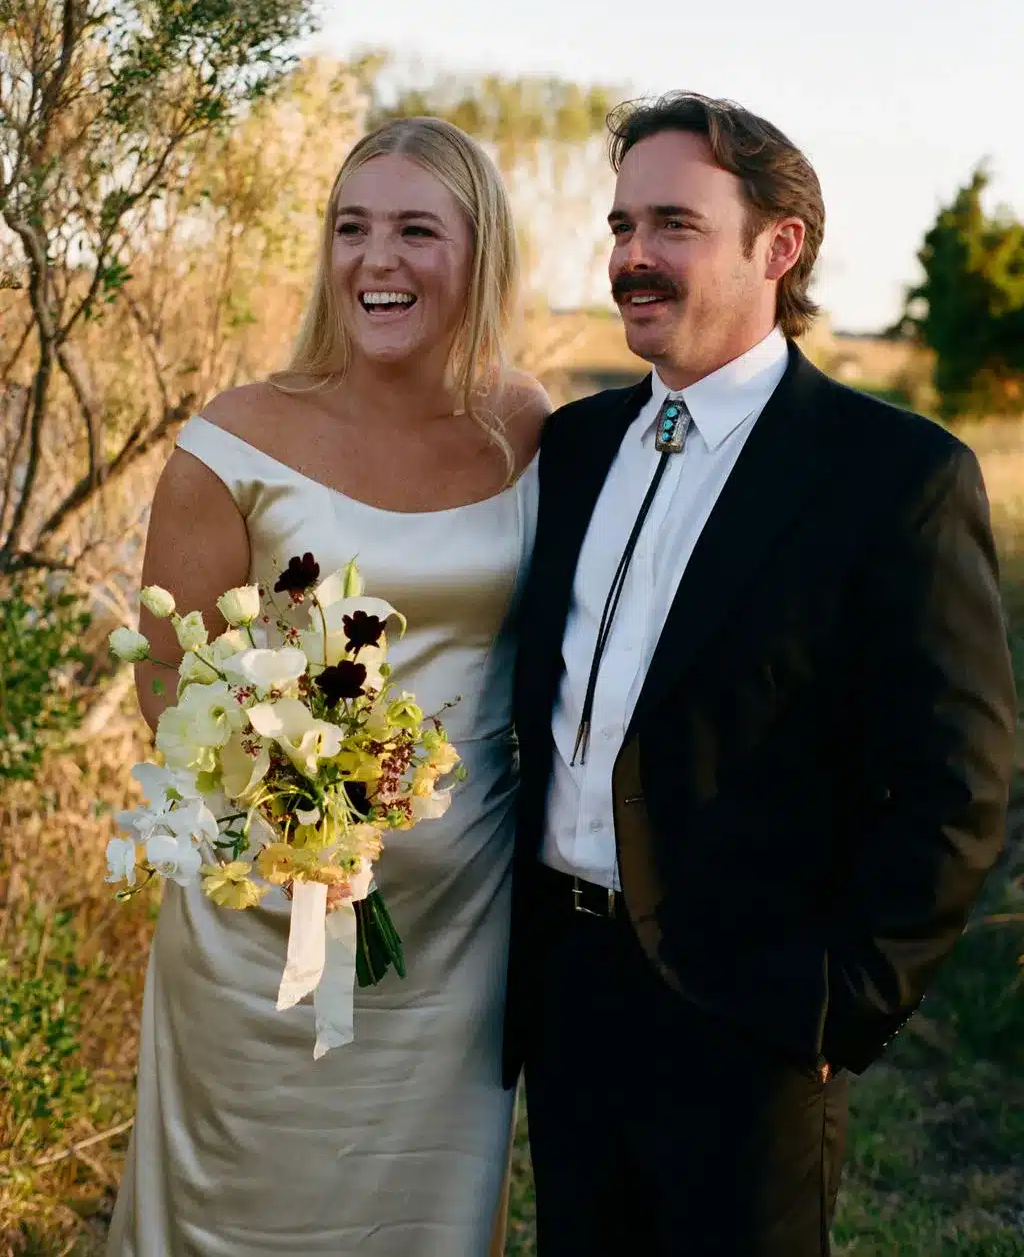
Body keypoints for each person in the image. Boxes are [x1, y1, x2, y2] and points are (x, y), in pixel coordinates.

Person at [506, 92, 1016, 1257]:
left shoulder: (895, 474)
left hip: (752, 1018)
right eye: (622, 223)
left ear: (777, 247)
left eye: (673, 223)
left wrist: (840, 1003)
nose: (631, 255)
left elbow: (959, 786)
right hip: (565, 992)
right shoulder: (574, 447)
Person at [107, 116, 549, 1257]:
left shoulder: (529, 432)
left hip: (458, 941)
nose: (376, 260)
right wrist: (290, 806)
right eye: (352, 229)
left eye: (415, 229)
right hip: (260, 936)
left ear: (479, 251)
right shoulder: (236, 441)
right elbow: (170, 686)